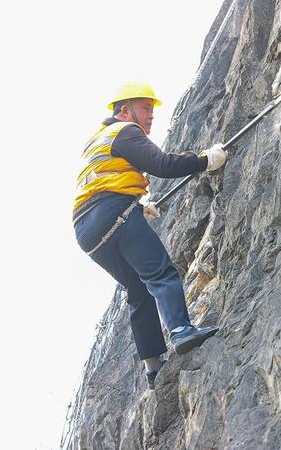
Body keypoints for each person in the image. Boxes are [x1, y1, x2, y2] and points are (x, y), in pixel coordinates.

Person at [73, 81, 227, 390]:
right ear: (125, 109)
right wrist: (204, 160)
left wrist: (135, 207)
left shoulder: (97, 140)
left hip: (86, 231)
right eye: (146, 108)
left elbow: (104, 182)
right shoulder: (125, 131)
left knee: (138, 288)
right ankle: (181, 330)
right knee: (160, 271)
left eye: (153, 110)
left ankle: (153, 367)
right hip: (110, 210)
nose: (151, 116)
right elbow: (162, 164)